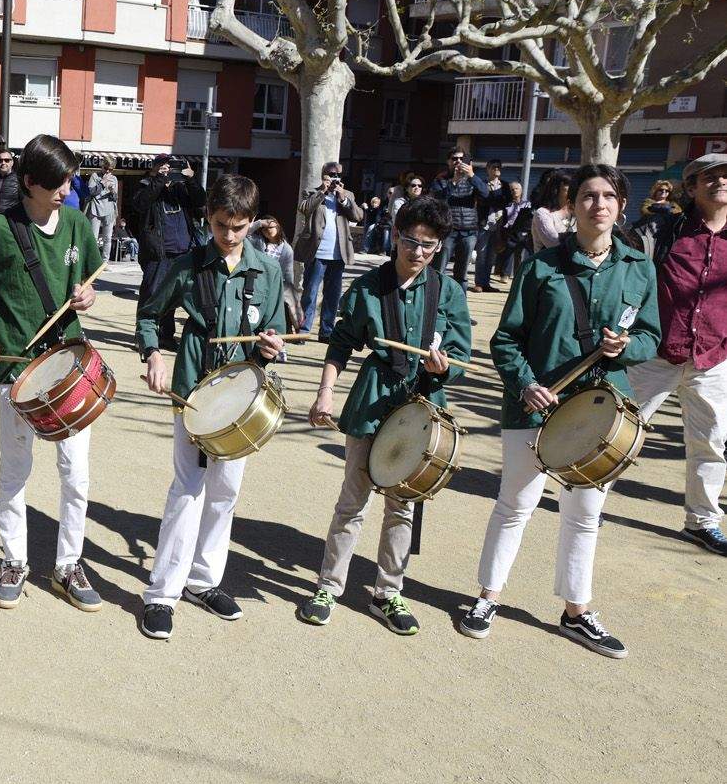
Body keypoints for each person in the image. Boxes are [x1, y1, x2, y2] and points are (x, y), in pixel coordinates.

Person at [458, 164, 660, 659]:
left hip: (601, 411)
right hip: (535, 404)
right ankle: (488, 598)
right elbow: (506, 338)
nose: (598, 204)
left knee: (584, 514)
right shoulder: (541, 266)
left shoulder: (639, 266)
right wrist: (525, 384)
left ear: (621, 206)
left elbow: (652, 336)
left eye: (608, 196)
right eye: (588, 196)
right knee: (515, 505)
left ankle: (576, 611)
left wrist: (626, 347)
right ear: (573, 206)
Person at [300, 196, 472, 635]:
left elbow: (460, 355)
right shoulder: (368, 287)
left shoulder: (448, 292)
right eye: (411, 241)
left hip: (422, 411)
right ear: (396, 237)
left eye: (429, 246)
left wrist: (445, 365)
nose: (418, 252)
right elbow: (340, 344)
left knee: (402, 509)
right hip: (371, 403)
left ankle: (388, 592)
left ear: (438, 249)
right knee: (352, 503)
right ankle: (328, 586)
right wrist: (324, 394)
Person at [0, 134, 104, 611]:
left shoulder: (78, 223)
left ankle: (68, 565)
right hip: (15, 369)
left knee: (75, 475)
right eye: (58, 181)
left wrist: (87, 296)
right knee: (15, 471)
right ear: (30, 182)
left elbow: (91, 282)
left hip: (67, 369)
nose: (67, 187)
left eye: (70, 179)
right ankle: (14, 559)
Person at [137, 175, 287, 639]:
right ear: (208, 218)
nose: (230, 236)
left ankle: (204, 581)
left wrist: (272, 345)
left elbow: (277, 328)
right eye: (222, 225)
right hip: (193, 395)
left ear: (252, 223)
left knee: (225, 494)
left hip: (241, 398)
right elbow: (149, 314)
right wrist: (155, 354)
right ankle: (161, 594)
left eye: (239, 227)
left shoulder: (268, 269)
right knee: (187, 491)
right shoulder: (187, 265)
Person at [627, 153, 727, 556]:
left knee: (711, 443)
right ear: (691, 187)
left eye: (726, 176)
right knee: (622, 431)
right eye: (710, 177)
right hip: (656, 352)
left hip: (714, 357)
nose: (720, 182)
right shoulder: (664, 229)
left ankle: (702, 522)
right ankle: (588, 501)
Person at [126, 154, 205, 347]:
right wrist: (159, 179)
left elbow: (200, 201)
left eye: (170, 165)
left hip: (183, 251)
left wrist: (190, 179)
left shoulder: (180, 187)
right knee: (151, 295)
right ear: (154, 167)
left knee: (173, 296)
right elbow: (140, 205)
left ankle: (166, 336)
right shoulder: (145, 185)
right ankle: (144, 338)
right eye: (163, 165)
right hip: (157, 252)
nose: (168, 168)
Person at [295, 161, 363, 340]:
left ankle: (326, 331)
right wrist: (322, 192)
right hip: (316, 251)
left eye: (338, 175)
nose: (335, 178)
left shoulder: (347, 194)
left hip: (338, 253)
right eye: (331, 174)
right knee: (310, 292)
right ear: (323, 175)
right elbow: (304, 208)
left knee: (332, 295)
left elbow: (357, 216)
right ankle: (303, 330)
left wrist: (344, 199)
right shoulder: (312, 192)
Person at [432, 148, 486, 287]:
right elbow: (439, 199)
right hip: (448, 231)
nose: (458, 162)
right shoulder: (441, 179)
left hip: (469, 231)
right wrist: (454, 182)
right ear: (448, 161)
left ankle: (459, 304)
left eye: (461, 159)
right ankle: (435, 299)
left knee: (461, 273)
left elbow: (486, 194)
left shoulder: (472, 179)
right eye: (455, 159)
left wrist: (472, 176)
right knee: (439, 269)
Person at [253, 215, 301, 333]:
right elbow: (245, 233)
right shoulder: (259, 242)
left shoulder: (286, 249)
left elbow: (288, 273)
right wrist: (259, 223)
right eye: (264, 229)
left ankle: (291, 329)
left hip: (279, 283)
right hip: (260, 282)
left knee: (287, 303)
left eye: (271, 227)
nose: (268, 231)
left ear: (278, 227)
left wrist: (285, 288)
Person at [474, 159, 510, 291]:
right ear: (487, 169)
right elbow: (483, 200)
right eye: (493, 167)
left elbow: (506, 201)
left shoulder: (505, 185)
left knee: (491, 257)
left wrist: (492, 199)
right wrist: (494, 199)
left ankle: (486, 283)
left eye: (499, 167)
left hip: (499, 225)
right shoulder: (482, 184)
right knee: (481, 255)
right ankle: (479, 283)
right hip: (485, 224)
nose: (496, 169)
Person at [494, 180, 533, 279]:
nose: (514, 191)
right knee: (508, 252)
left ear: (521, 190)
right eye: (512, 189)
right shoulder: (506, 204)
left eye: (516, 189)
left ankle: (518, 275)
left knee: (520, 254)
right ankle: (505, 274)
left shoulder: (527, 204)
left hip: (523, 231)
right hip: (509, 231)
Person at [530, 169, 575, 251]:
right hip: (548, 262)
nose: (574, 189)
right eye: (568, 185)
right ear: (556, 189)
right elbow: (554, 244)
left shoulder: (577, 211)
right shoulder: (543, 213)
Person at [86, 156, 120, 261]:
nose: (108, 171)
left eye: (111, 169)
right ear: (102, 166)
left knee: (107, 238)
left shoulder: (114, 179)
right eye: (106, 168)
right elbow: (91, 192)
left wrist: (112, 191)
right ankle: (93, 261)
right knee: (94, 238)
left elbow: (115, 198)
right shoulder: (95, 176)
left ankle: (105, 261)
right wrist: (102, 183)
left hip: (109, 210)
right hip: (96, 208)